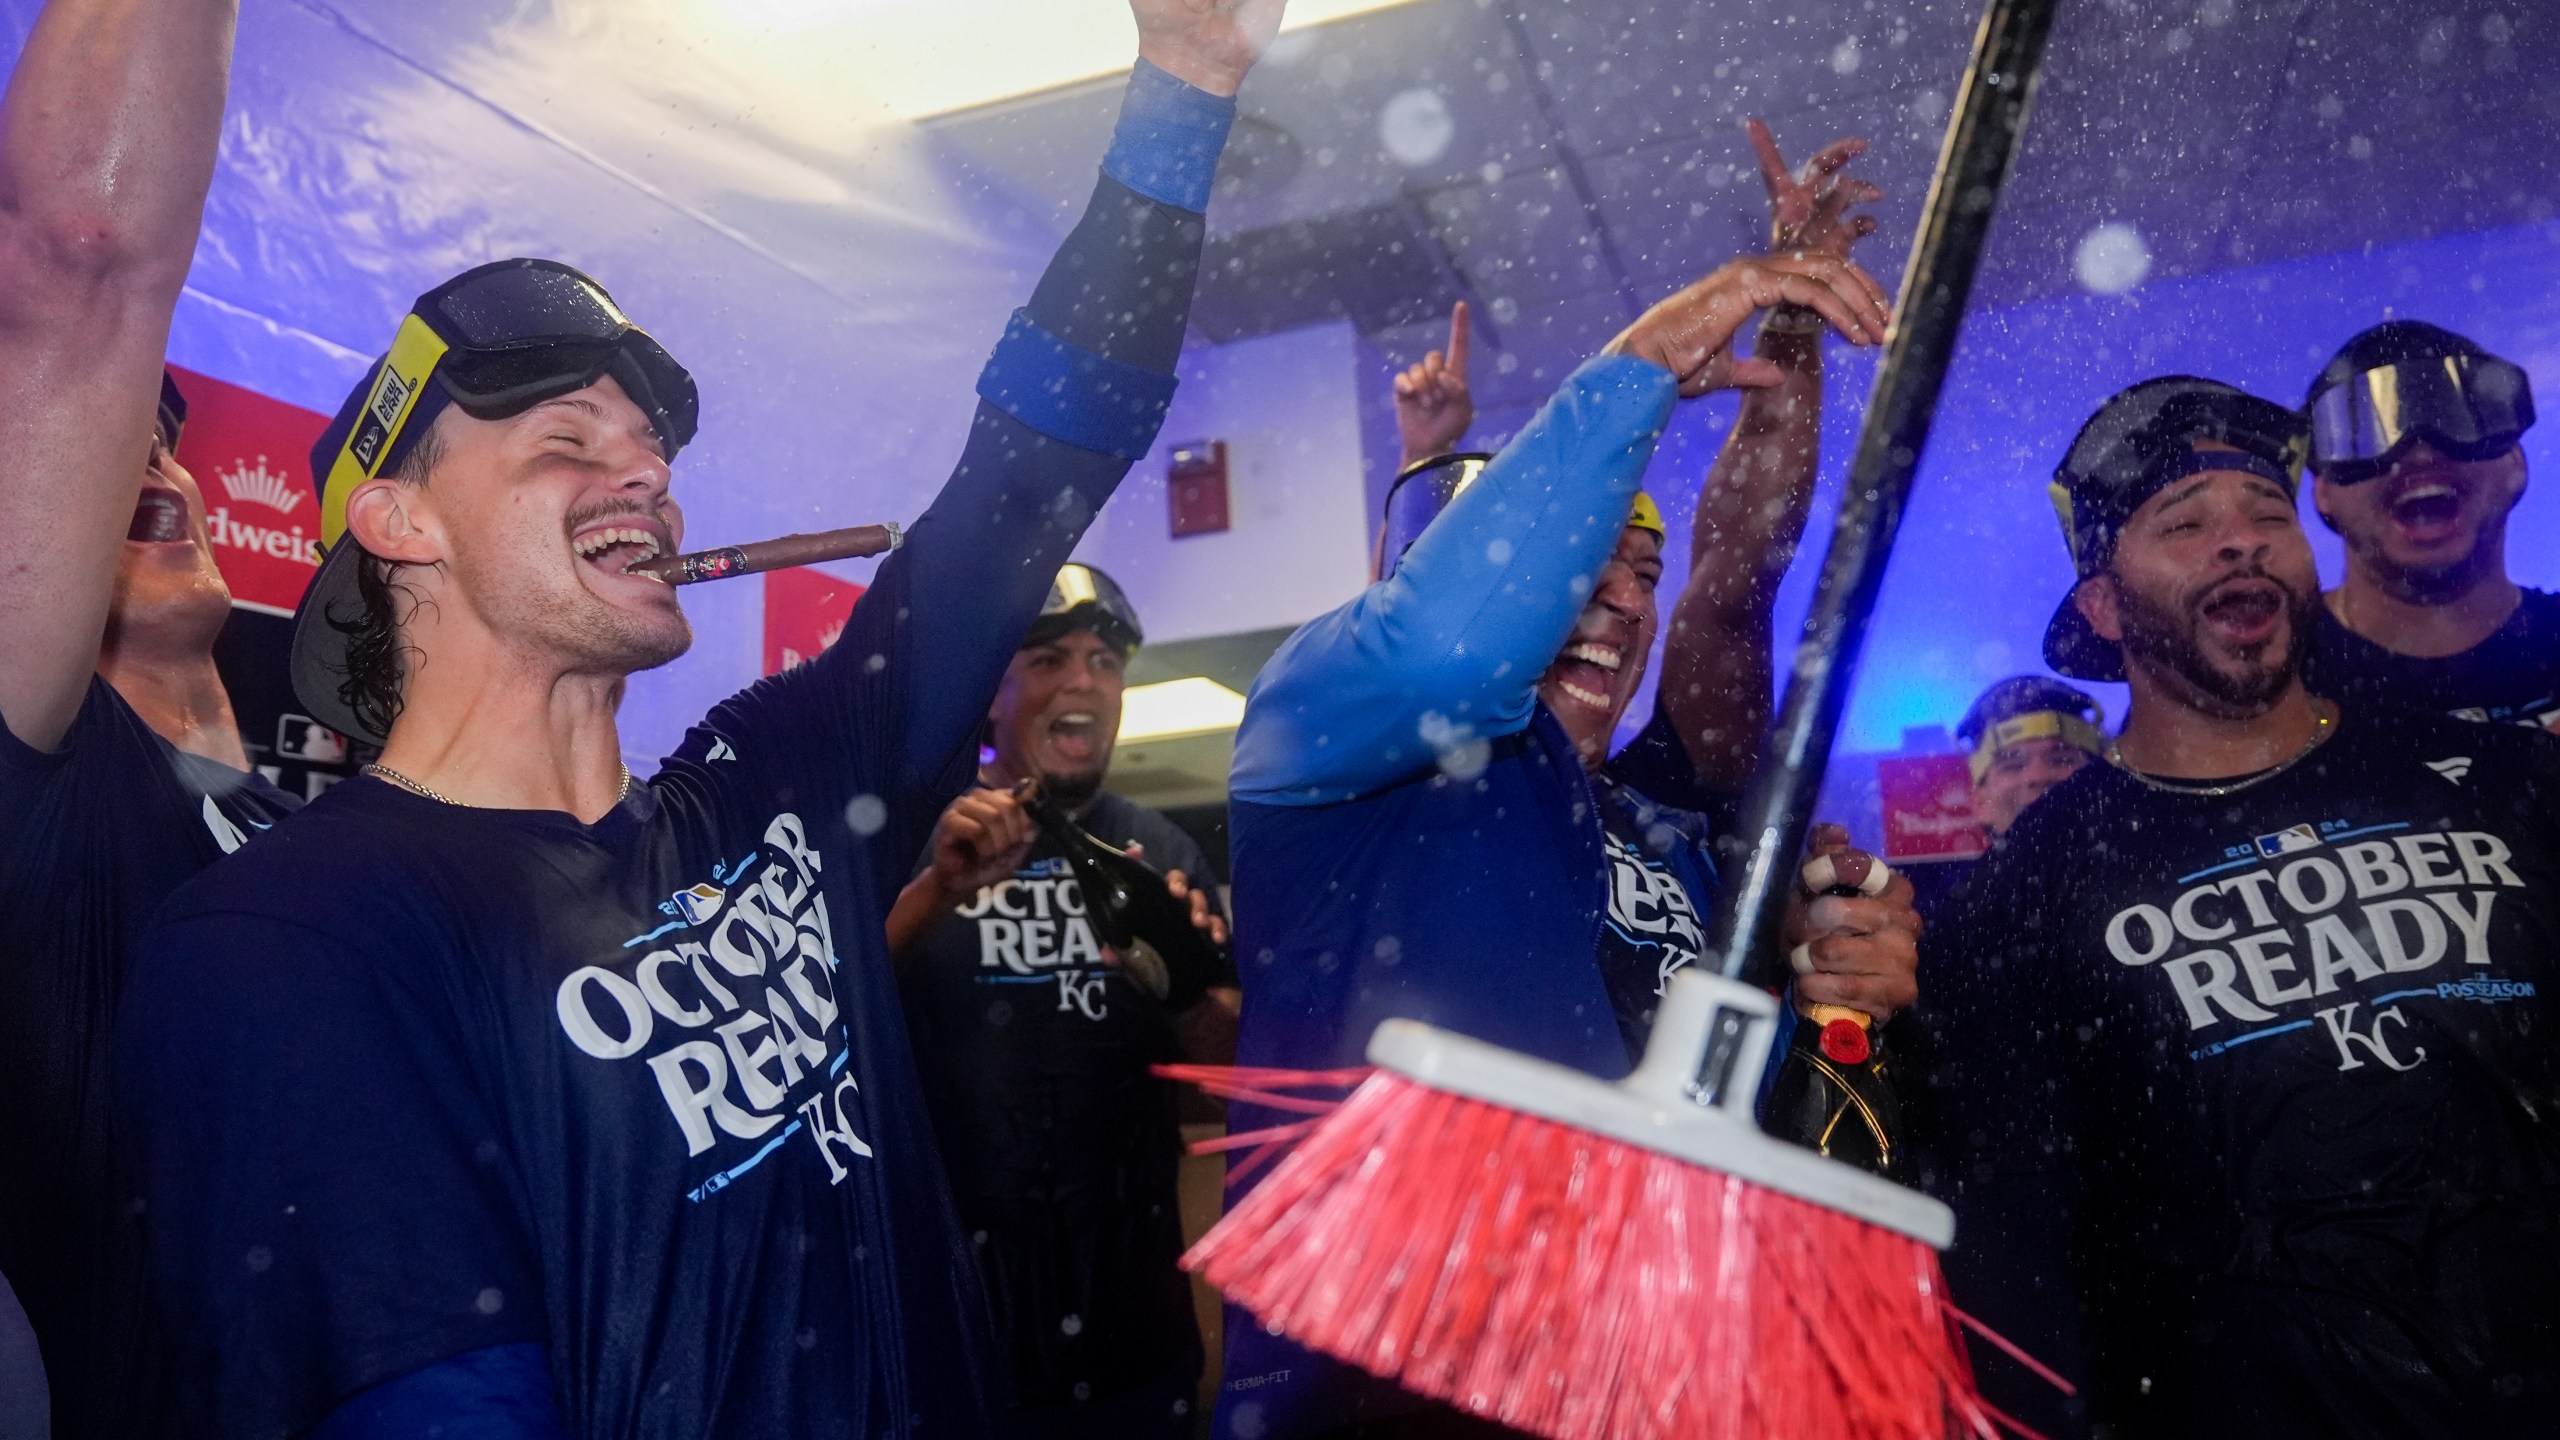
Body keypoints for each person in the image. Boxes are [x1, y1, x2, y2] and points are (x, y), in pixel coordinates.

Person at [111, 3, 1284, 1433]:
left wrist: (1184, 82)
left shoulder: (773, 793)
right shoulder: (294, 937)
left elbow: (1029, 474)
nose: (645, 481)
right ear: (398, 520)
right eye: (564, 444)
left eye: (651, 452)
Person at [1217, 230, 1919, 1435]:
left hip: (1646, 1362)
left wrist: (1793, 323)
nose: (1623, 595)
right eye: (1586, 561)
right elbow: (1447, 639)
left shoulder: (1655, 808)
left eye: (1639, 565)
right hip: (1388, 1386)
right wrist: (1639, 363)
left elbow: (1738, 574)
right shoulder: (1328, 746)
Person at [1913, 375, 2560, 1438]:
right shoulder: (2023, 894)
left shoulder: (2503, 781)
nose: (2241, 544)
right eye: (2186, 525)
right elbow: (2013, 1244)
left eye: (2269, 517)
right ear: (2105, 607)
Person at [0, 1, 264, 1434]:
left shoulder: (332, 822)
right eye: (111, 424)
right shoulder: (34, 784)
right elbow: (77, 257)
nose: (150, 456)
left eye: (170, 423)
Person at [888, 562, 1239, 1439]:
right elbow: (834, 1029)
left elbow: (1227, 1068)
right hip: (963, 1344)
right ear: (994, 694)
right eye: (1048, 659)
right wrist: (934, 893)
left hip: (1137, 1332)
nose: (1083, 680)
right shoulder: (916, 839)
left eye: (1104, 661)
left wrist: (1192, 983)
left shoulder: (1160, 850)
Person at [2303, 320, 2554, 727]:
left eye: (2458, 418)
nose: (2419, 454)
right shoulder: (2264, 678)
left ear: (2515, 465)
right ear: (2323, 492)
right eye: (2366, 434)